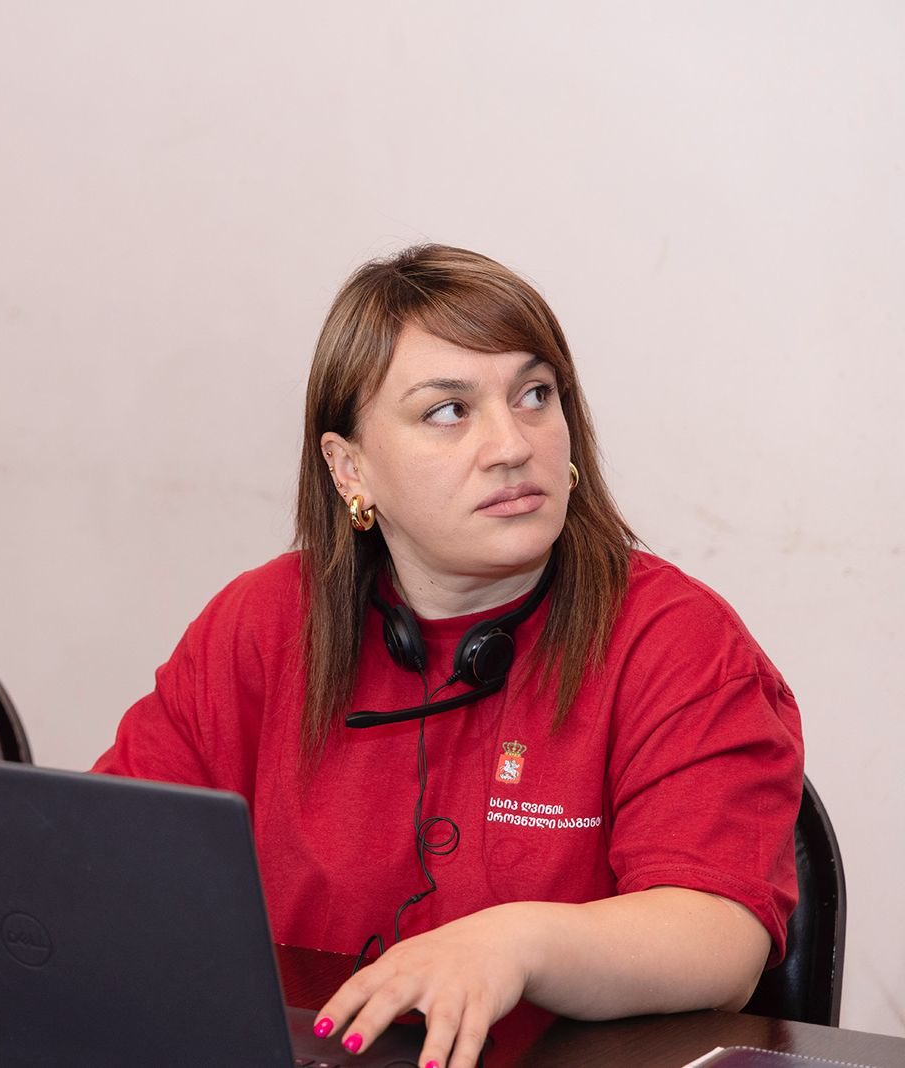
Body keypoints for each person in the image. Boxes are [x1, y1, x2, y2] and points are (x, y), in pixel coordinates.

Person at [93, 245, 802, 1068]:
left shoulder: (676, 638)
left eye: (535, 396)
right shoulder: (263, 623)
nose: (511, 445)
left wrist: (516, 943)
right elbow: (106, 864)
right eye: (448, 411)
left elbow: (721, 937)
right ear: (349, 468)